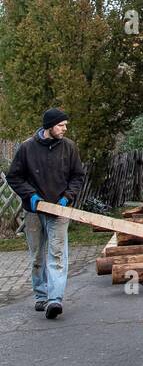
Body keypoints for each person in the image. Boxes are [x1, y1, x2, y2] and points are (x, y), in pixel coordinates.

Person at [7, 109, 85, 320]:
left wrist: (67, 197)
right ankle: (41, 295)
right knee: (37, 257)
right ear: (49, 126)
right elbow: (14, 177)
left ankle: (55, 300)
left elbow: (78, 176)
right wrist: (30, 196)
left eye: (65, 125)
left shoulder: (69, 147)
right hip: (34, 211)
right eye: (61, 125)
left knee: (57, 254)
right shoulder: (27, 148)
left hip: (59, 210)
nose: (65, 128)